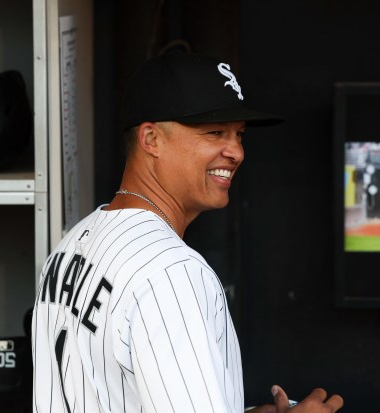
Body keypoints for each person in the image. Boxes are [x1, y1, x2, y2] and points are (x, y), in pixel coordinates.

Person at [31, 52, 344, 413]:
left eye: (238, 134)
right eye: (215, 132)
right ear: (151, 139)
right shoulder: (172, 271)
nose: (236, 152)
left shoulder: (70, 246)